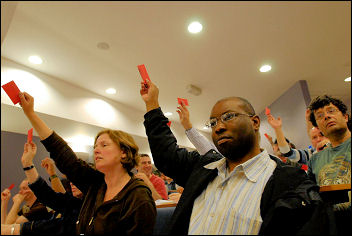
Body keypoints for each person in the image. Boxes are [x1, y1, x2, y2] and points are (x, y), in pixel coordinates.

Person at [139, 79, 336, 235]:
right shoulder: (203, 169)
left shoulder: (291, 184)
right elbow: (166, 154)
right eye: (213, 122)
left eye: (228, 117)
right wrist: (152, 104)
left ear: (255, 122)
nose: (219, 127)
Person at [18, 91, 156, 235]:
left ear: (124, 152)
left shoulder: (138, 197)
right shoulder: (97, 185)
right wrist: (30, 114)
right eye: (95, 146)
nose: (96, 150)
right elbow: (64, 158)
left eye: (104, 145)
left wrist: (31, 114)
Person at [1, 140, 84, 235]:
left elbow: (11, 225)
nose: (21, 192)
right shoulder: (27, 207)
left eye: (25, 188)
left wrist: (17, 202)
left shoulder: (40, 207)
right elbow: (6, 225)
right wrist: (4, 202)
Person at [308, 95, 351, 235]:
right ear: (318, 127)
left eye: (331, 111)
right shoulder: (315, 160)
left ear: (345, 117)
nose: (326, 116)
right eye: (320, 116)